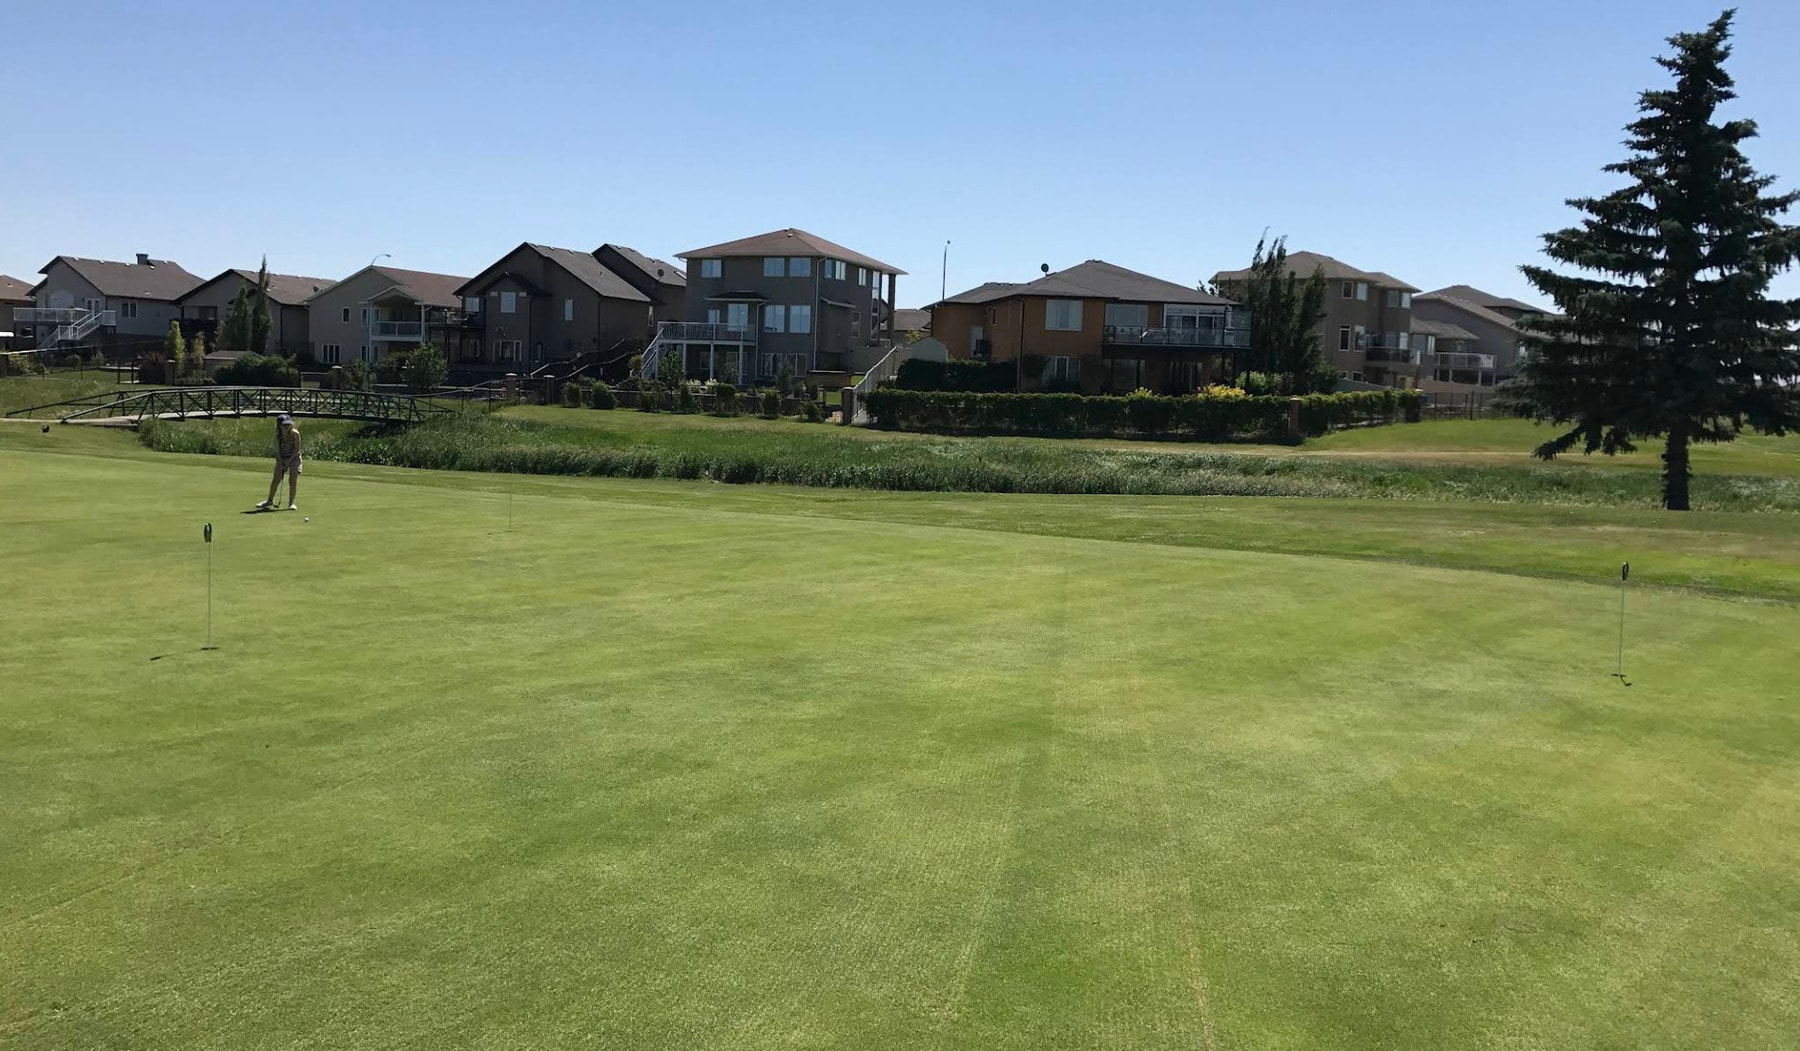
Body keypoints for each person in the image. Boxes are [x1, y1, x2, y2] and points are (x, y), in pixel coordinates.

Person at [256, 414, 302, 511]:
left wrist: (288, 461)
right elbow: (277, 451)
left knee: (292, 480)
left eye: (288, 425)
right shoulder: (278, 436)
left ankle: (291, 503)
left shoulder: (295, 434)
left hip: (294, 458)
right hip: (282, 458)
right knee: (276, 479)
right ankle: (269, 500)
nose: (286, 427)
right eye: (284, 425)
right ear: (279, 426)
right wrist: (281, 462)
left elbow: (296, 450)